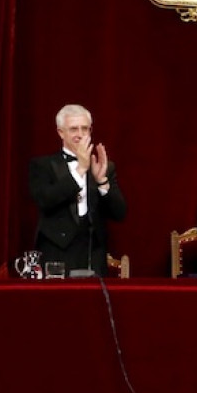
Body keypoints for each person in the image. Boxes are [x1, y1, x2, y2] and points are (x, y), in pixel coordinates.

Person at [28, 104, 127, 275]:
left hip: (93, 252)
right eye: (74, 129)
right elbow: (46, 200)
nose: (80, 134)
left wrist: (102, 181)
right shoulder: (43, 165)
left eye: (85, 128)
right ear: (61, 132)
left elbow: (120, 213)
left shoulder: (103, 166)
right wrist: (80, 169)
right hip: (56, 251)